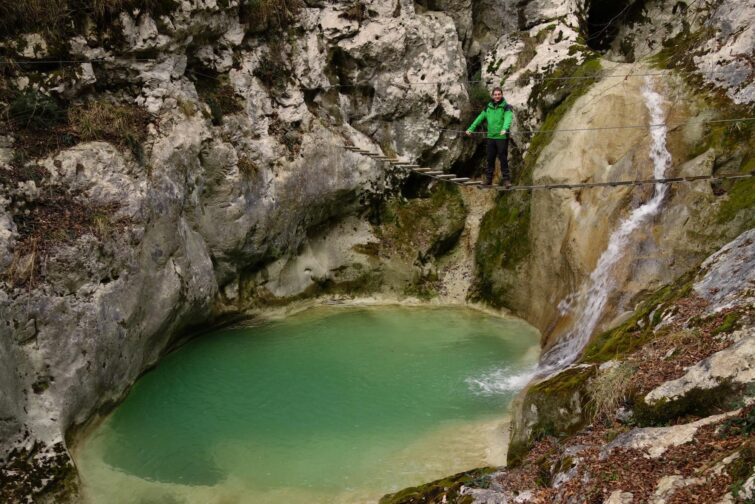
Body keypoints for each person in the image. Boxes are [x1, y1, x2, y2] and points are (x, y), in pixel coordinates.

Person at [465, 87, 513, 188]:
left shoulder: (506, 107)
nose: (497, 96)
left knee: (503, 158)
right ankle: (488, 180)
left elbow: (508, 118)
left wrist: (505, 128)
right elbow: (479, 118)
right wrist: (471, 129)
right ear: (492, 96)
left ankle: (506, 180)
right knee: (490, 159)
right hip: (491, 137)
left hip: (501, 137)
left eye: (499, 94)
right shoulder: (488, 107)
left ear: (502, 95)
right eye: (495, 94)